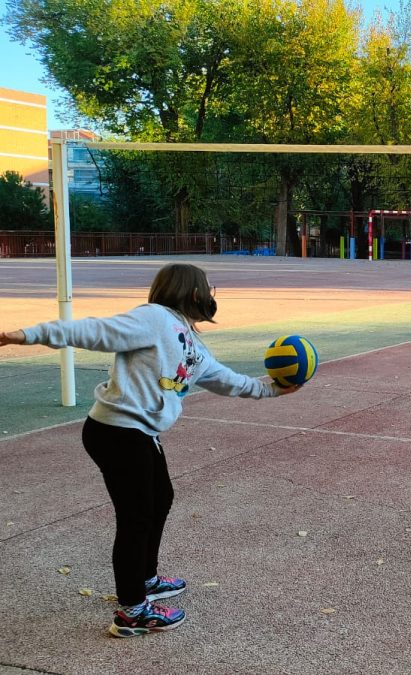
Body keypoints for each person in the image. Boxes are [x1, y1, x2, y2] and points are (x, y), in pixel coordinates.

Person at [0, 263, 300, 638]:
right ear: (193, 293)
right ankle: (132, 612)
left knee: (161, 499)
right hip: (117, 431)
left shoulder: (190, 340)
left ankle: (146, 578)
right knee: (136, 518)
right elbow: (93, 330)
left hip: (138, 434)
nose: (212, 295)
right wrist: (23, 335)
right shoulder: (153, 319)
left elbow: (227, 380)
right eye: (209, 288)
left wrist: (273, 389)